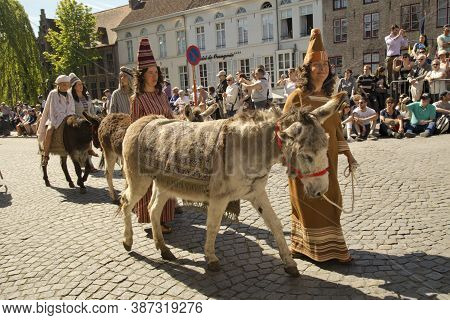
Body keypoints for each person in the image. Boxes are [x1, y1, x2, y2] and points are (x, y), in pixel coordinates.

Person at [283, 28, 357, 263]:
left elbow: (337, 130)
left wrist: (349, 155)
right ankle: (303, 245)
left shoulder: (330, 98)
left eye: (326, 66)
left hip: (329, 159)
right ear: (308, 69)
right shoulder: (297, 97)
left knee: (332, 197)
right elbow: (283, 129)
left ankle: (333, 247)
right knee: (305, 202)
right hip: (304, 161)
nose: (323, 70)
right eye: (317, 66)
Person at [130, 38, 176, 233]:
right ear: (142, 75)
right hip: (149, 148)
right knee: (153, 185)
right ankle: (155, 219)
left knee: (169, 181)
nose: (154, 76)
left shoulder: (162, 94)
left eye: (156, 72)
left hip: (167, 144)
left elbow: (169, 116)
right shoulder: (137, 99)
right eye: (150, 73)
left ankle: (166, 216)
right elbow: (135, 127)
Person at [37, 75, 75, 166]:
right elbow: (54, 108)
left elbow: (72, 107)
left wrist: (70, 115)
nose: (66, 86)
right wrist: (63, 116)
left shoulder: (69, 94)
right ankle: (46, 155)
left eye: (67, 84)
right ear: (59, 85)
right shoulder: (53, 93)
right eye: (64, 84)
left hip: (69, 116)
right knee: (49, 131)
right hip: (55, 118)